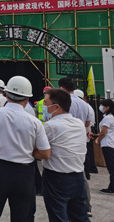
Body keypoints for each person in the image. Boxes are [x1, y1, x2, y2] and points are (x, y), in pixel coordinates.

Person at [0, 76, 51, 222]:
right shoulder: (34, 122)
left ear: (6, 95)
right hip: (23, 173)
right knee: (22, 216)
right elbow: (45, 153)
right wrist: (26, 150)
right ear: (27, 99)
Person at [41, 88, 89, 221]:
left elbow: (40, 150)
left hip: (57, 178)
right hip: (78, 177)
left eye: (45, 104)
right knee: (80, 217)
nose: (43, 107)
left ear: (56, 107)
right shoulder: (79, 124)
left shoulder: (51, 126)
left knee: (58, 217)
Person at [96, 98, 114, 194]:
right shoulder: (110, 117)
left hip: (107, 144)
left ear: (108, 107)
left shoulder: (108, 118)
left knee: (111, 167)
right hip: (111, 143)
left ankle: (112, 187)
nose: (101, 107)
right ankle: (111, 186)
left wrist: (98, 139)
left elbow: (103, 132)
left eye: (102, 106)